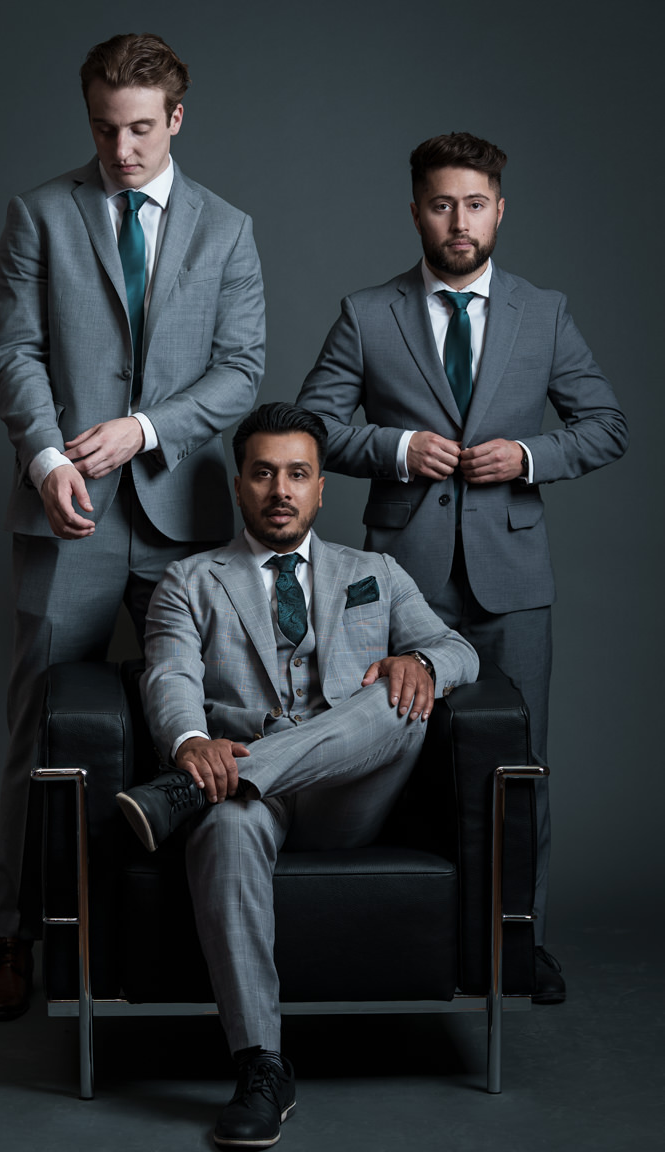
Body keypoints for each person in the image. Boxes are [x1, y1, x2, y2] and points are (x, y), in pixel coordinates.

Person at [296, 132, 628, 1002]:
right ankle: (403, 942)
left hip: (512, 584)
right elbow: (313, 427)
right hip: (398, 584)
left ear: (500, 210)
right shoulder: (368, 313)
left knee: (521, 768)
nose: (459, 221)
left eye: (475, 204)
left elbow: (606, 424)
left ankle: (521, 943)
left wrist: (525, 456)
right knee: (388, 757)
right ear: (415, 211)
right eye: (442, 204)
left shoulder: (542, 312)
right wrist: (400, 449)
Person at [0, 32, 265, 1021]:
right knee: (40, 729)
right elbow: (12, 349)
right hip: (69, 517)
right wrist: (49, 456)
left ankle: (185, 934)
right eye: (105, 128)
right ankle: (14, 935)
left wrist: (145, 428)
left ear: (175, 118)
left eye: (141, 128)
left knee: (202, 723)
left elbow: (241, 369)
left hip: (183, 518)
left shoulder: (227, 230)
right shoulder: (39, 215)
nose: (123, 148)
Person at [116, 402, 478, 1147]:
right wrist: (190, 743)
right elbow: (170, 678)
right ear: (241, 487)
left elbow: (460, 651)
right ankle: (260, 1066)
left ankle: (187, 796)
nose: (280, 490)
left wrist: (424, 661)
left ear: (320, 489)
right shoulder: (189, 581)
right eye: (263, 473)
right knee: (226, 818)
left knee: (398, 699)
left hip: (355, 794)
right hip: (249, 791)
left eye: (298, 474)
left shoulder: (375, 572)